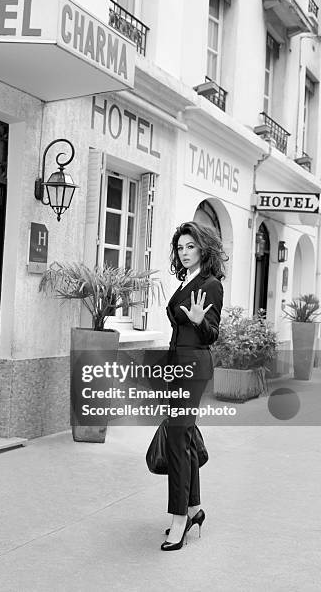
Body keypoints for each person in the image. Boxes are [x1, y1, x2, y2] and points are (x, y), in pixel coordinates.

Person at [161, 221, 227, 551]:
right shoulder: (185, 280)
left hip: (194, 365)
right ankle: (194, 509)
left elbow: (212, 334)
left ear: (203, 248)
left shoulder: (210, 284)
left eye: (190, 246)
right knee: (182, 436)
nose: (184, 253)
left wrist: (201, 322)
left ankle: (179, 519)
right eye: (180, 247)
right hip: (177, 365)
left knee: (176, 436)